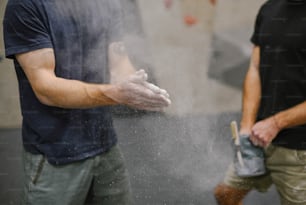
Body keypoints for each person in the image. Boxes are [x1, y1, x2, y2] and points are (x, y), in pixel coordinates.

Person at [3, 0, 171, 204]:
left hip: (105, 145)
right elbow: (46, 88)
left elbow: (118, 62)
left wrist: (136, 88)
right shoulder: (27, 5)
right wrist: (116, 93)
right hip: (54, 155)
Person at [214, 0, 306, 204]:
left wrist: (276, 123)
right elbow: (255, 68)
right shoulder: (269, 9)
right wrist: (247, 126)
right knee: (225, 195)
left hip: (299, 151)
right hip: (257, 140)